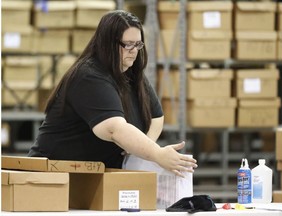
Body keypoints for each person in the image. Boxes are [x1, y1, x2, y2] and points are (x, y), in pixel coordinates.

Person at [28, 10, 197, 177]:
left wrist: (141, 148)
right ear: (107, 44)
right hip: (51, 178)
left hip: (91, 180)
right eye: (128, 44)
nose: (134, 51)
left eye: (138, 44)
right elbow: (113, 129)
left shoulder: (131, 73)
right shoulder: (89, 76)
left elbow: (156, 117)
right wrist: (157, 154)